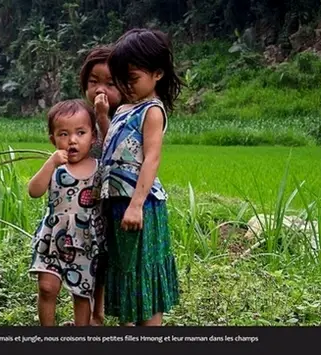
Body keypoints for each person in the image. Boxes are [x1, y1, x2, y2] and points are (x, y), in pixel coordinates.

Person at [98, 28, 182, 326]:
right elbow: (116, 146)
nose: (126, 86)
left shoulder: (153, 111)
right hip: (118, 205)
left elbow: (151, 158)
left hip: (141, 206)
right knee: (126, 273)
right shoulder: (124, 108)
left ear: (157, 73)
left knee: (143, 274)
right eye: (122, 80)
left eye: (132, 79)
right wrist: (101, 118)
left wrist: (136, 204)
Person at [55, 45, 124, 327]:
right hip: (84, 207)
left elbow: (116, 149)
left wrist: (102, 117)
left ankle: (100, 314)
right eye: (93, 82)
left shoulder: (123, 118)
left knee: (105, 260)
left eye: (110, 83)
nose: (100, 89)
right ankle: (88, 317)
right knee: (87, 259)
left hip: (115, 200)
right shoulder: (80, 118)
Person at [28, 99, 105, 326]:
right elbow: (34, 191)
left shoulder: (100, 169)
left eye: (80, 133)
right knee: (47, 287)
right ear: (53, 140)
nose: (72, 140)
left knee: (81, 292)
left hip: (84, 241)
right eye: (63, 134)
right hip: (52, 238)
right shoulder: (55, 168)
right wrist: (50, 164)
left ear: (93, 137)